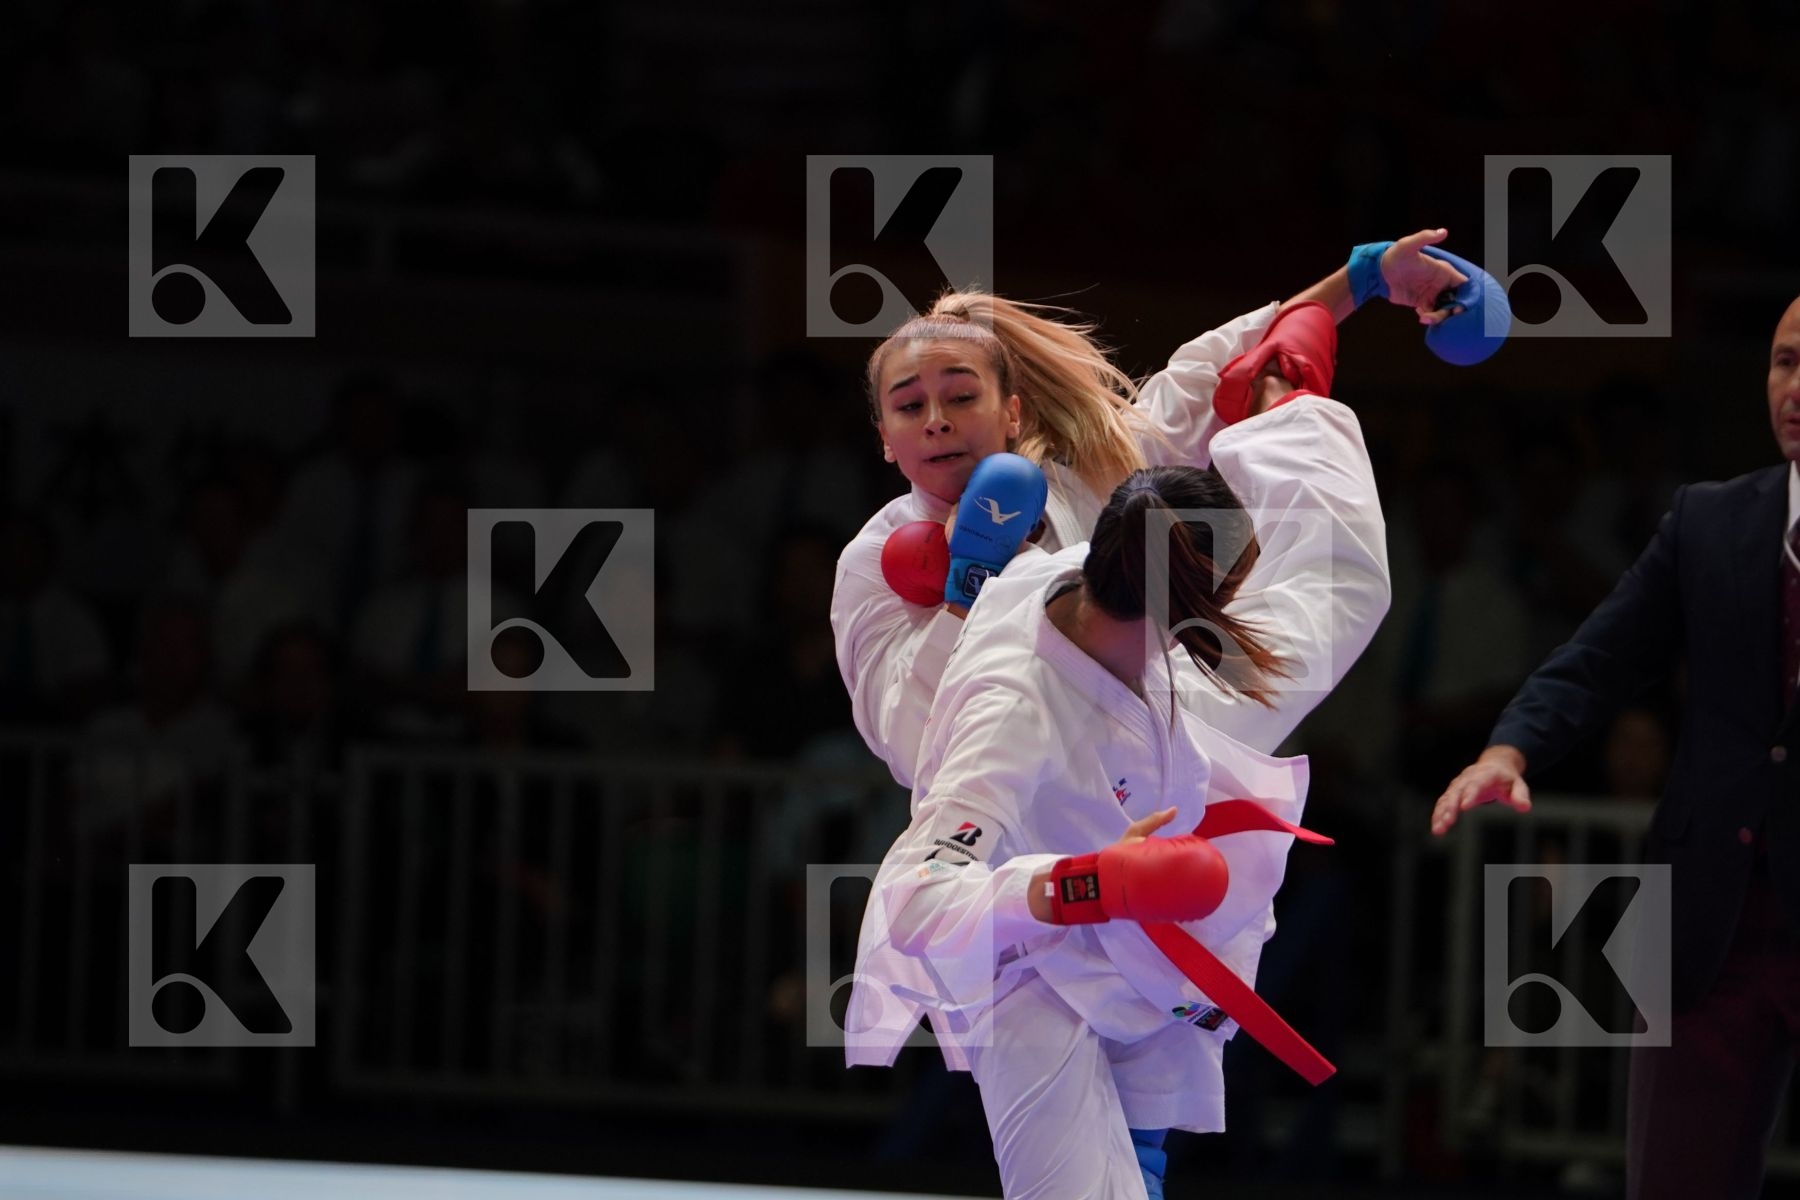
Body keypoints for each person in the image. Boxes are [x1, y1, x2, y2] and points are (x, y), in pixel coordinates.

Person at [848, 431, 1340, 1199]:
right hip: (1027, 973)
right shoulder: (1016, 710)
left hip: (1120, 944)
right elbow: (915, 902)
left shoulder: (1087, 570)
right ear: (1190, 602)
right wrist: (1088, 882)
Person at [832, 229, 1462, 788]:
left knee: (1338, 591)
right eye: (910, 406)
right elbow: (911, 750)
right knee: (1341, 583)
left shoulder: (1087, 479)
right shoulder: (872, 558)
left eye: (962, 396)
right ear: (884, 437)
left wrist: (1365, 278)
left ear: (1012, 411)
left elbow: (1219, 371)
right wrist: (965, 593)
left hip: (1150, 755)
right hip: (1007, 807)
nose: (936, 421)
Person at [1430, 295, 1800, 1199]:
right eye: (1786, 362)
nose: (1795, 388)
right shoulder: (1711, 521)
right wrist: (1509, 752)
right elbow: (1599, 657)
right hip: (1707, 922)